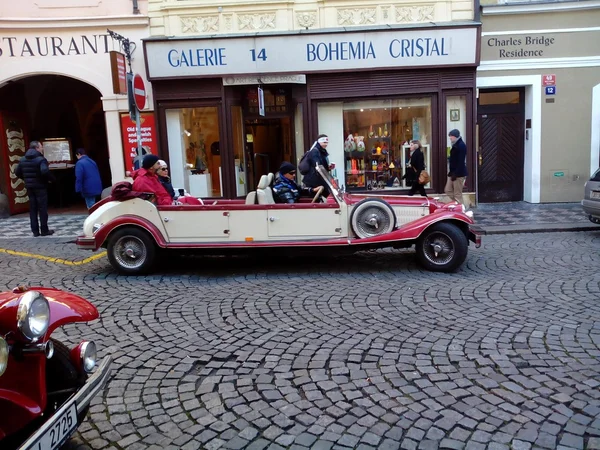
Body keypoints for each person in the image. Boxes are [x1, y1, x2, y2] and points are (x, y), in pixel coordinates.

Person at [14, 141, 54, 236]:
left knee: (33, 209)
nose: (42, 149)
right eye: (41, 147)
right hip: (40, 187)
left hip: (30, 187)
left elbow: (17, 172)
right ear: (36, 148)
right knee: (42, 209)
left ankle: (35, 231)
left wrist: (26, 179)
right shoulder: (41, 159)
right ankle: (44, 230)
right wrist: (51, 179)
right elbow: (44, 171)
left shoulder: (23, 159)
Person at [445, 129, 468, 206]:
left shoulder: (461, 145)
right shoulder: (455, 144)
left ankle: (461, 210)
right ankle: (459, 205)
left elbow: (460, 161)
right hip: (452, 172)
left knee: (457, 194)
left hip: (459, 174)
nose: (450, 138)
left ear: (455, 136)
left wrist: (456, 174)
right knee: (447, 190)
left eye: (451, 136)